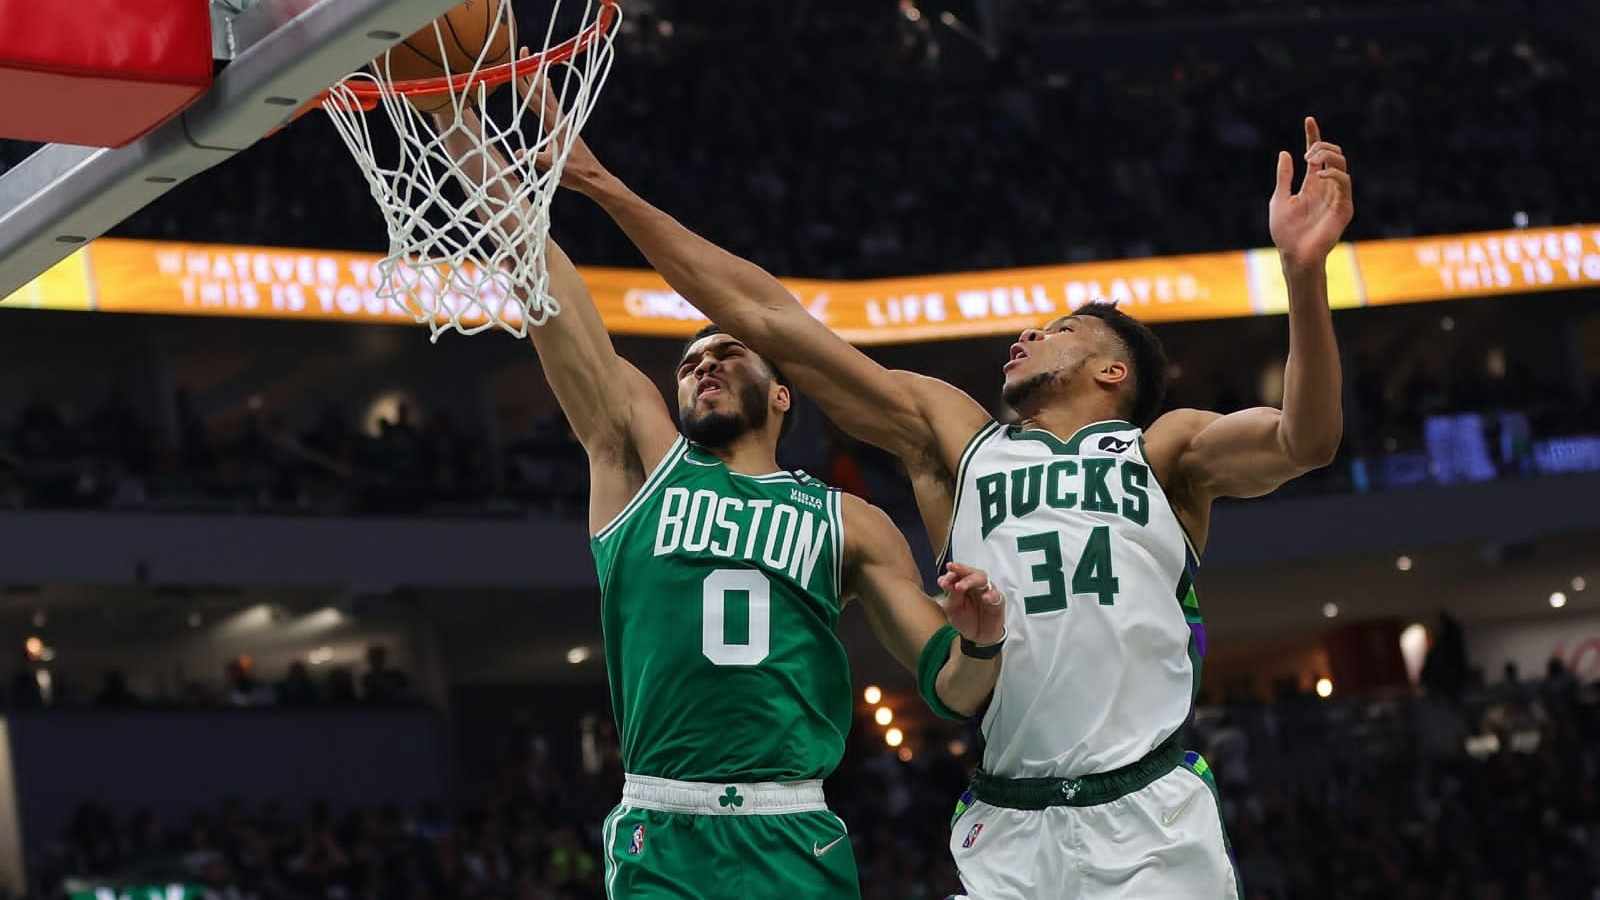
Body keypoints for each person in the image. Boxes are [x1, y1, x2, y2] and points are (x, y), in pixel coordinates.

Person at [543, 105, 1352, 898]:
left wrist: (1303, 277)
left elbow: (1303, 441)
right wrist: (605, 188)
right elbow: (767, 317)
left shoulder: (1163, 450)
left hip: (1150, 810)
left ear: (1115, 373)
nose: (1027, 337)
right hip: (1011, 821)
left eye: (1060, 331)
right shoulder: (957, 443)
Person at [428, 72, 1005, 900]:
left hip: (791, 828)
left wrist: (982, 637)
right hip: (663, 824)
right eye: (690, 361)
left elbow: (953, 689)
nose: (703, 365)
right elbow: (541, 276)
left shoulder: (850, 522)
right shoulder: (636, 464)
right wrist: (456, 129)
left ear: (782, 395)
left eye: (727, 352)